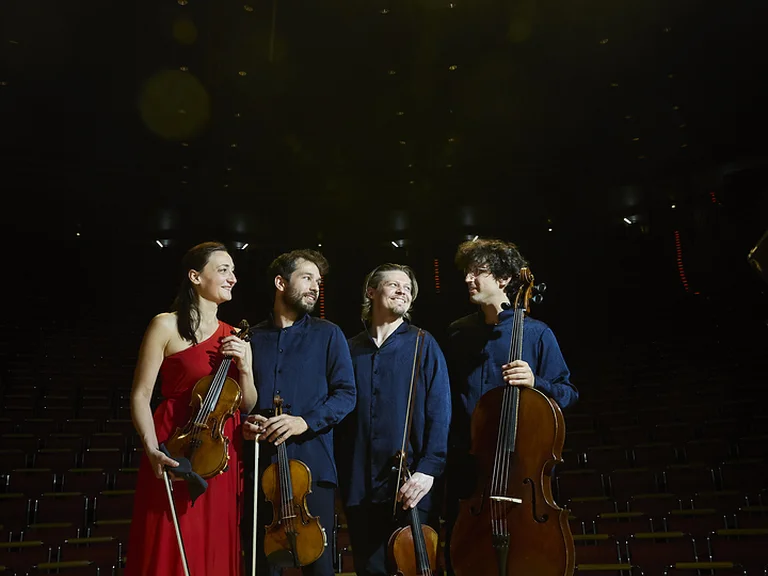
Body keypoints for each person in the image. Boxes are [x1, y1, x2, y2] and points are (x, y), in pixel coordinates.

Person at [443, 238, 579, 574]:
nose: (468, 279)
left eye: (479, 272)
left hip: (520, 468)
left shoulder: (536, 333)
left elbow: (568, 392)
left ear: (504, 279)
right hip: (469, 466)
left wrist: (537, 383)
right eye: (467, 272)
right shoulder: (458, 334)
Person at [126, 241, 257, 576]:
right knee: (171, 531)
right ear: (195, 276)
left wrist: (245, 367)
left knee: (214, 536)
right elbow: (141, 395)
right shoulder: (165, 325)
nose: (233, 278)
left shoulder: (235, 337)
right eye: (223, 269)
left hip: (221, 449)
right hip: (176, 441)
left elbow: (247, 402)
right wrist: (152, 448)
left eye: (234, 271)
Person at [242, 249, 356, 576]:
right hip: (261, 471)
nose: (315, 287)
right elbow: (242, 401)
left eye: (318, 281)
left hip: (313, 468)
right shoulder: (252, 338)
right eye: (307, 278)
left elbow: (347, 395)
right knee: (262, 567)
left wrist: (303, 421)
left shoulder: (329, 333)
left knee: (318, 567)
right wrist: (246, 424)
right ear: (281, 282)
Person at [337, 264, 451, 576]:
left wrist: (429, 470)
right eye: (394, 284)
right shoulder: (348, 349)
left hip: (412, 482)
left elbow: (440, 412)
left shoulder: (424, 344)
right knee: (369, 569)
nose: (403, 290)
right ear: (371, 292)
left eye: (408, 288)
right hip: (360, 485)